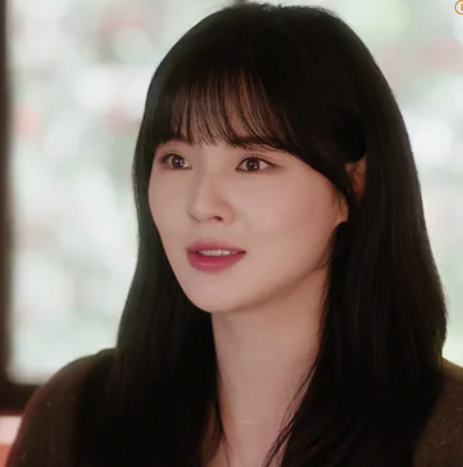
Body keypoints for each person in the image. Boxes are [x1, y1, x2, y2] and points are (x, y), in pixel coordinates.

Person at [6, 2, 463, 467]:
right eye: (177, 160)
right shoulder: (77, 417)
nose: (201, 204)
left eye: (252, 163)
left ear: (353, 188)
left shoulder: (448, 433)